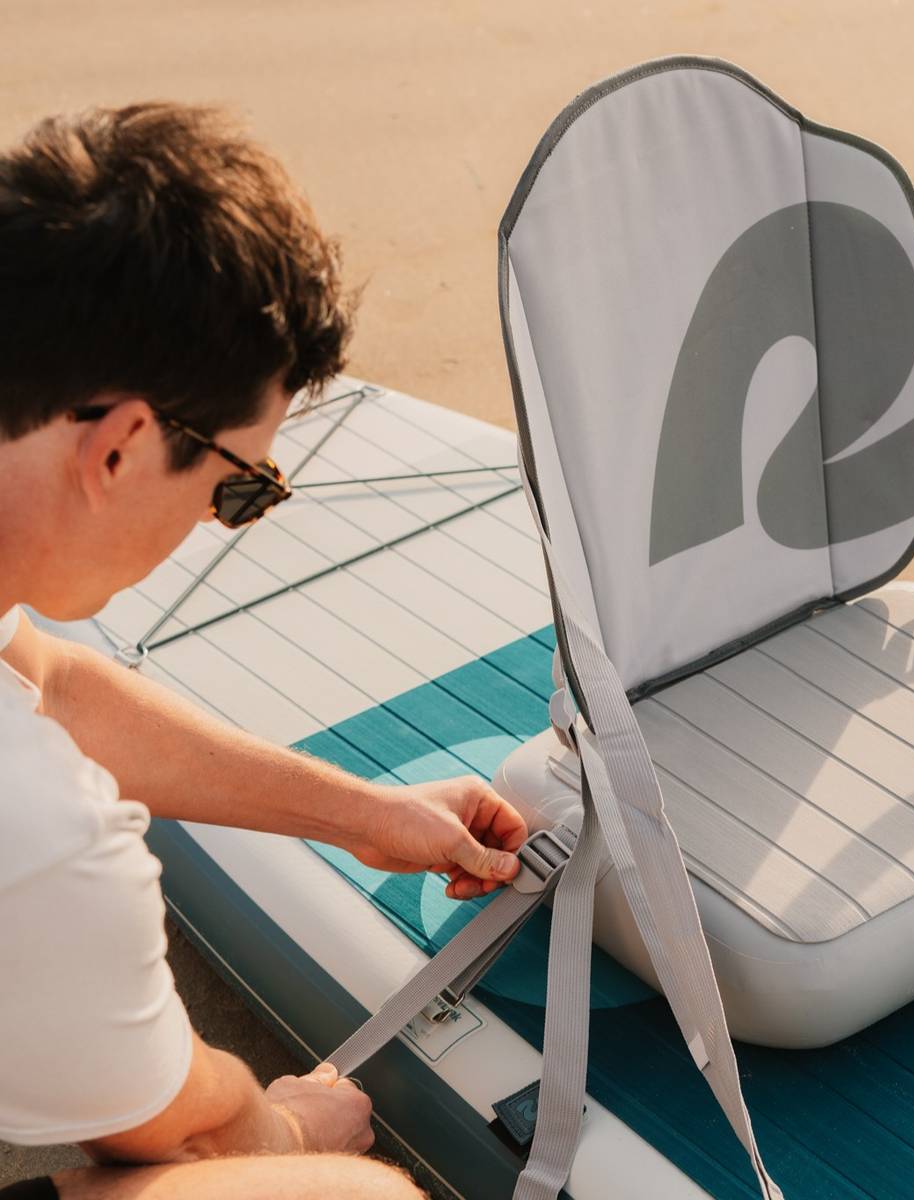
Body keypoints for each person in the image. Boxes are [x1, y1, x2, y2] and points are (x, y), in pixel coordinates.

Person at [0, 103, 530, 1199]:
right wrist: (291, 1135)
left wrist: (364, 814)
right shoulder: (37, 827)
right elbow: (175, 1129)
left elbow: (44, 680)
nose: (218, 521)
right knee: (359, 1199)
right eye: (242, 487)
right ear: (123, 447)